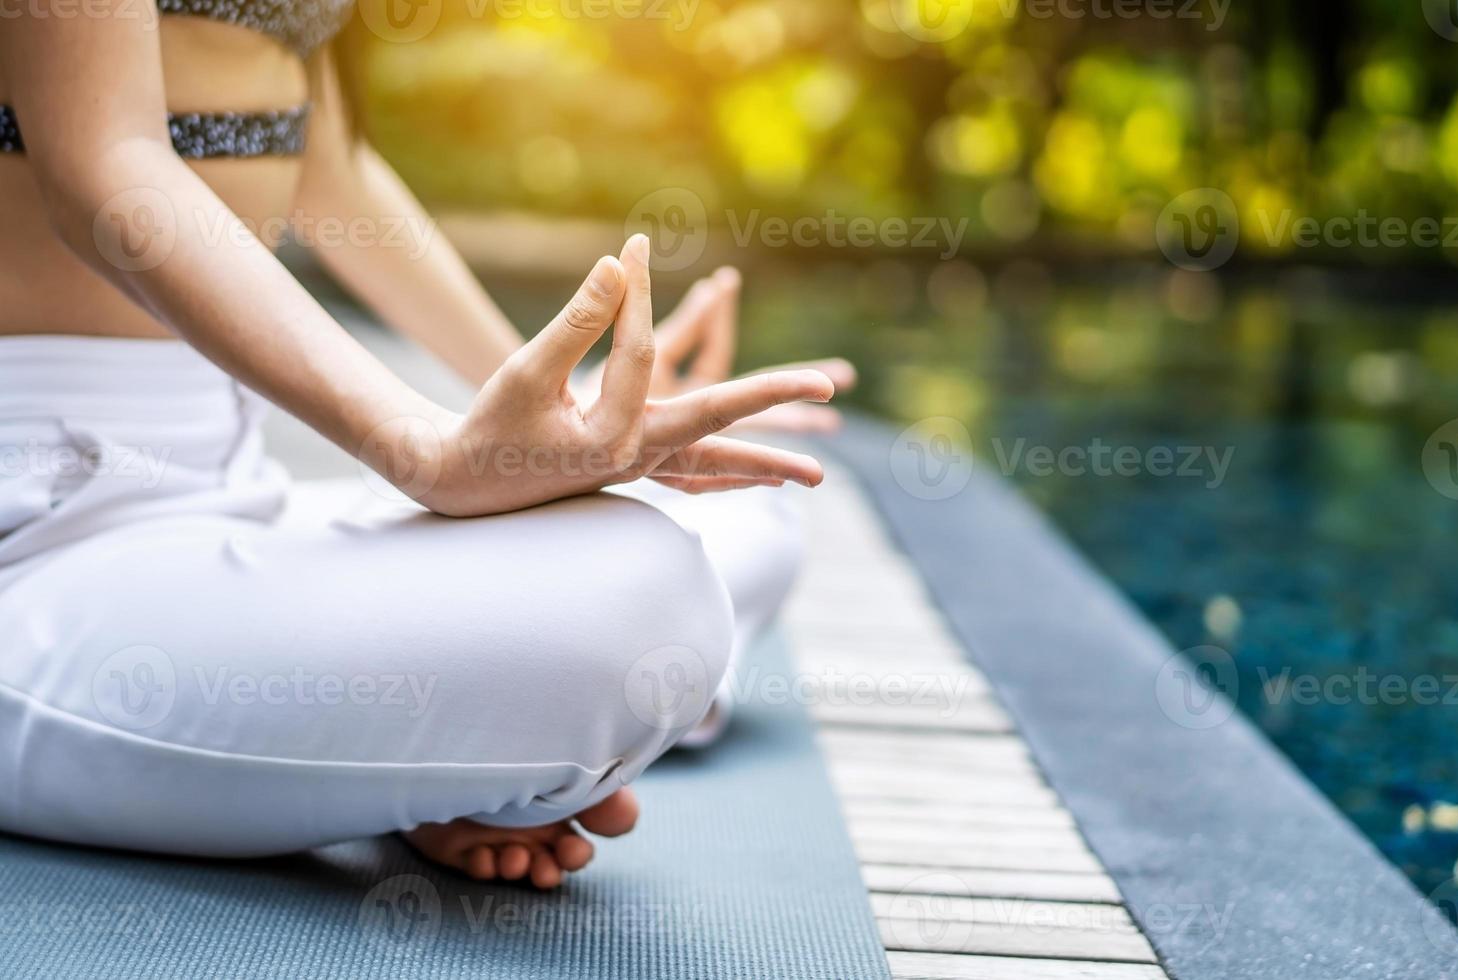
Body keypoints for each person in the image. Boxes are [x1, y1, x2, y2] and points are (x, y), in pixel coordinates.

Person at [0, 1, 854, 890]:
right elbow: (102, 159)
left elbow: (331, 172)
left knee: (745, 505)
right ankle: (479, 748)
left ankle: (458, 749)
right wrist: (418, 451)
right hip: (40, 535)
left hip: (231, 482)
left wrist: (584, 416)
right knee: (646, 602)